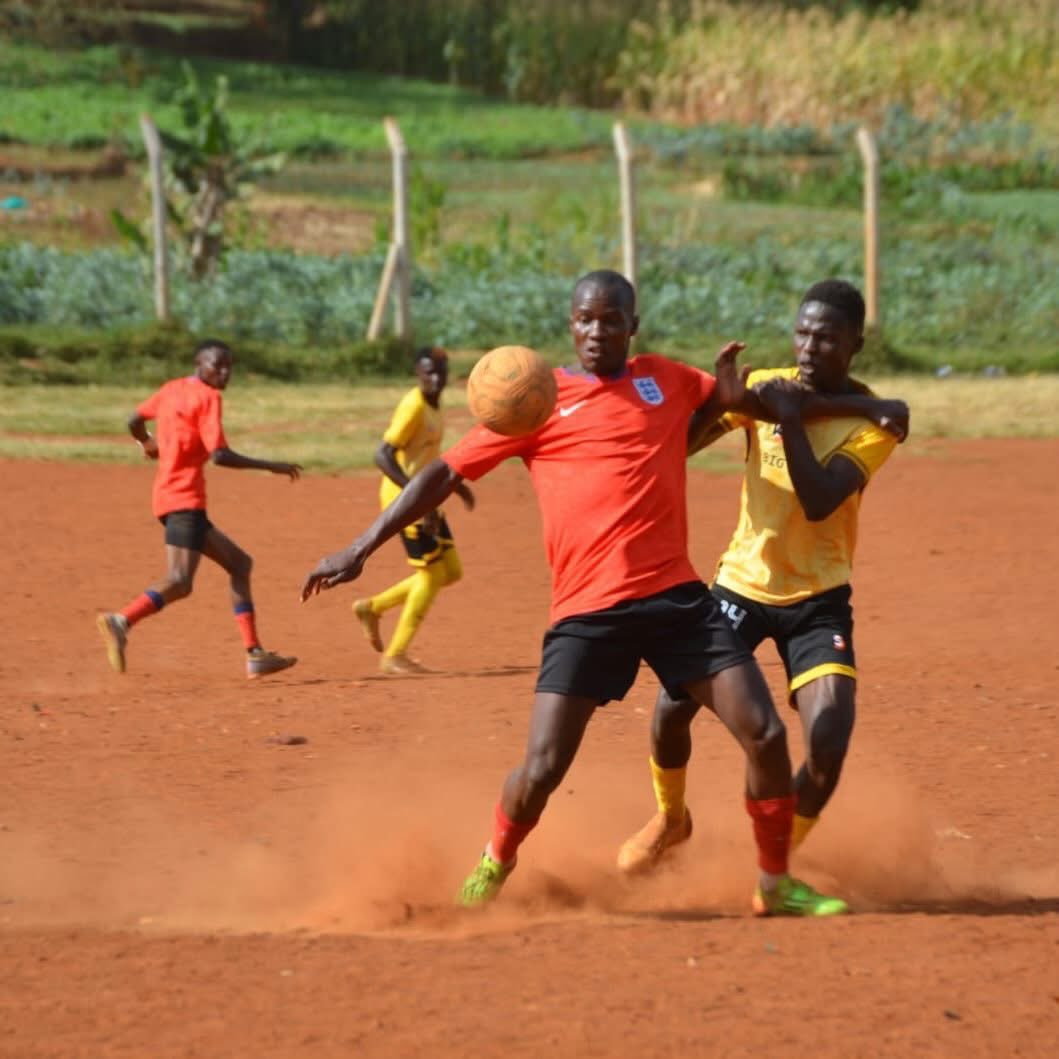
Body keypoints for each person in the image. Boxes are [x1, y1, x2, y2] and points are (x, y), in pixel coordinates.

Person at [302, 269, 849, 917]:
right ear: (570, 324)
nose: (597, 331)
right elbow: (442, 474)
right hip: (588, 611)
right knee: (540, 769)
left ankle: (773, 881)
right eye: (585, 320)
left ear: (631, 326)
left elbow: (752, 402)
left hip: (676, 600)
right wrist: (360, 546)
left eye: (610, 320)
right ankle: (494, 860)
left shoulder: (665, 378)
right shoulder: (533, 401)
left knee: (762, 731)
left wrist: (761, 398)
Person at [618, 279, 906, 896]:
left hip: (819, 598)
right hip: (740, 586)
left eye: (826, 337)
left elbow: (823, 499)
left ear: (854, 343)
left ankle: (770, 867)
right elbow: (687, 444)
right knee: (672, 709)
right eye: (802, 332)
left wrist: (791, 419)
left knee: (828, 743)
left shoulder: (874, 423)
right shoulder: (774, 386)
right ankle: (672, 819)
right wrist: (718, 406)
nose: (808, 347)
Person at [96, 339, 302, 680]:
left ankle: (255, 655)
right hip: (183, 499)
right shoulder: (209, 398)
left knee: (239, 563)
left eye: (229, 366)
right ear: (199, 363)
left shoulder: (171, 389)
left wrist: (146, 443)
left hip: (168, 497)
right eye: (217, 365)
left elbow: (134, 419)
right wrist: (271, 465)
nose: (224, 372)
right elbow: (219, 455)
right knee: (180, 581)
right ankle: (121, 621)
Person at [351, 346, 475, 675]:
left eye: (440, 372)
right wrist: (415, 497)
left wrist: (454, 483)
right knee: (432, 575)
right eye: (427, 373)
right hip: (404, 501)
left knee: (451, 571)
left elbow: (427, 454)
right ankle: (395, 654)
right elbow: (382, 456)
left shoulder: (435, 405)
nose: (434, 378)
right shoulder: (414, 407)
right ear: (417, 374)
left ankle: (372, 607)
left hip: (425, 498)